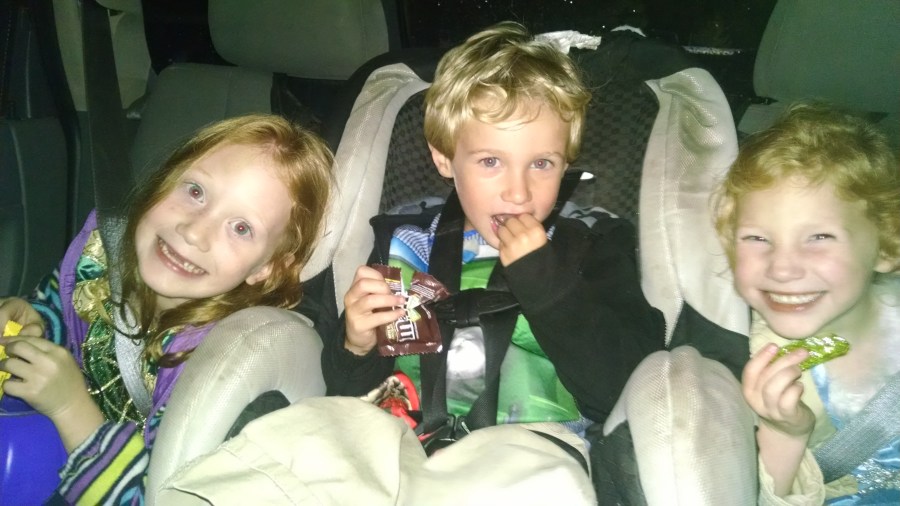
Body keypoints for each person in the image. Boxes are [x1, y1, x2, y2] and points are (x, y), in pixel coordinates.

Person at [322, 20, 665, 502]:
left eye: (541, 163)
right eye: (490, 161)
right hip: (397, 445)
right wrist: (355, 346)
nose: (518, 192)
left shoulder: (592, 243)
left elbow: (625, 389)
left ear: (566, 164)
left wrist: (546, 282)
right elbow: (348, 393)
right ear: (445, 159)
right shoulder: (406, 241)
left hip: (533, 454)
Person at [0, 114, 333, 504]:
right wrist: (36, 322)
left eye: (241, 228)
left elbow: (154, 497)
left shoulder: (215, 364)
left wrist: (70, 407)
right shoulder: (103, 253)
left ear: (268, 268)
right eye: (195, 191)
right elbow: (62, 312)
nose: (194, 231)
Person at [713, 102, 900, 504]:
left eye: (819, 237)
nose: (782, 268)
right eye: (757, 238)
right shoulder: (743, 364)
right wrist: (784, 432)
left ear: (886, 247)